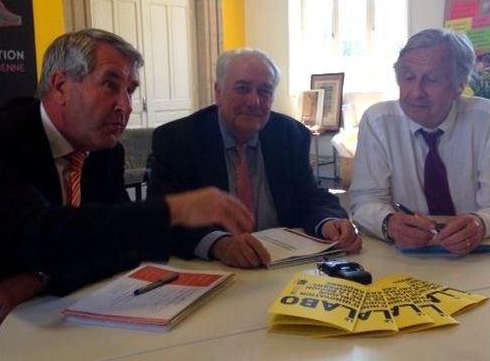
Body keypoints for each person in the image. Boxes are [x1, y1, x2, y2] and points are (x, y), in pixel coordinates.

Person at [0, 29, 253, 360]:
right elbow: (38, 232)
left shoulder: (105, 152)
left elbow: (124, 250)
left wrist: (39, 277)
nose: (125, 106)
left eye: (131, 90)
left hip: (62, 320)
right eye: (111, 84)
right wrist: (172, 209)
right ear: (60, 86)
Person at [147, 48, 362, 268]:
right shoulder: (178, 139)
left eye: (265, 91)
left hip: (282, 266)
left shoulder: (290, 135)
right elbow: (162, 218)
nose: (254, 101)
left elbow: (311, 196)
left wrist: (328, 222)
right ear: (218, 92)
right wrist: (219, 243)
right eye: (243, 89)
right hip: (213, 269)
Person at [349, 28, 490, 254]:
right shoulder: (378, 122)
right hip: (404, 259)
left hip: (477, 258)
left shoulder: (489, 120)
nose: (416, 92)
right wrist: (388, 222)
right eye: (408, 78)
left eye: (430, 80)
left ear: (459, 85)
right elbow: (364, 201)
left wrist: (481, 223)